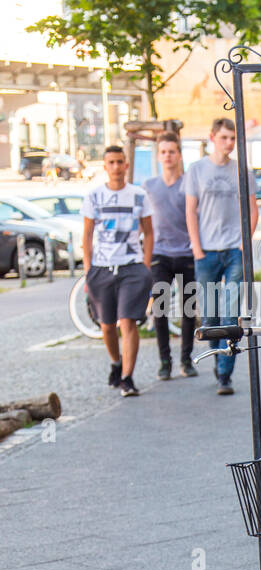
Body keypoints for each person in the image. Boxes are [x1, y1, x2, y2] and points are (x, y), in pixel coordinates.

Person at [186, 117, 258, 396]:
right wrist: (196, 247)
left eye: (233, 138)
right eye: (224, 137)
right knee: (210, 316)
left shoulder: (242, 170)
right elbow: (190, 210)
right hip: (206, 251)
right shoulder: (197, 169)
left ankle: (225, 375)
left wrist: (244, 243)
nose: (229, 143)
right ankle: (217, 361)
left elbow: (253, 208)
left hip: (233, 250)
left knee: (230, 313)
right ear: (212, 137)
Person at [81, 145, 153, 398]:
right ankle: (115, 361)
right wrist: (88, 268)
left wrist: (145, 265)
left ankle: (127, 376)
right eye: (110, 162)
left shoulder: (139, 195)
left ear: (126, 165)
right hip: (101, 268)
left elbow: (149, 231)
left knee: (127, 322)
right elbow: (87, 234)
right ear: (105, 166)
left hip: (131, 267)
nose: (116, 167)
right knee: (107, 325)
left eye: (119, 162)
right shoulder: (94, 196)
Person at [142, 131, 196, 380]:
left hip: (186, 253)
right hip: (160, 255)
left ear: (179, 155)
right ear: (158, 156)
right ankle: (165, 361)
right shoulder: (149, 186)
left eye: (171, 151)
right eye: (163, 152)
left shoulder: (189, 184)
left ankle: (186, 359)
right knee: (160, 310)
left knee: (188, 310)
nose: (167, 156)